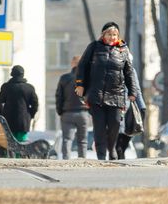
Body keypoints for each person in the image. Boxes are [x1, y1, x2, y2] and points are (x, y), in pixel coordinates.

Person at [75, 21, 139, 160]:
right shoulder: (94, 47)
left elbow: (129, 72)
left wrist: (133, 92)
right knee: (99, 127)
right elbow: (82, 66)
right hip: (96, 95)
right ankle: (101, 154)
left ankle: (112, 148)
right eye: (109, 34)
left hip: (116, 94)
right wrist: (80, 85)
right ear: (103, 35)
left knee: (115, 124)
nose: (112, 37)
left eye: (115, 34)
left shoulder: (123, 50)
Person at [56, 55, 88, 159]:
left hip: (68, 113)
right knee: (82, 140)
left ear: (72, 64)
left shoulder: (64, 78)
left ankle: (66, 160)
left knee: (67, 139)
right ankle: (82, 161)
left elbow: (59, 96)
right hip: (83, 113)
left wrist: (60, 111)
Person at [0, 65, 39, 142]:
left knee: (9, 143)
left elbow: (0, 100)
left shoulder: (6, 87)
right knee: (21, 144)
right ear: (23, 74)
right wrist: (30, 114)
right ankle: (19, 155)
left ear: (12, 74)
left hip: (8, 120)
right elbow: (35, 104)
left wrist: (2, 113)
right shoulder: (29, 88)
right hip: (23, 121)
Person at [115, 69, 146, 160]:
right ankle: (119, 158)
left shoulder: (130, 70)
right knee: (118, 142)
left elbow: (136, 89)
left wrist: (142, 107)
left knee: (122, 141)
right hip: (115, 106)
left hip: (126, 107)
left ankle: (120, 158)